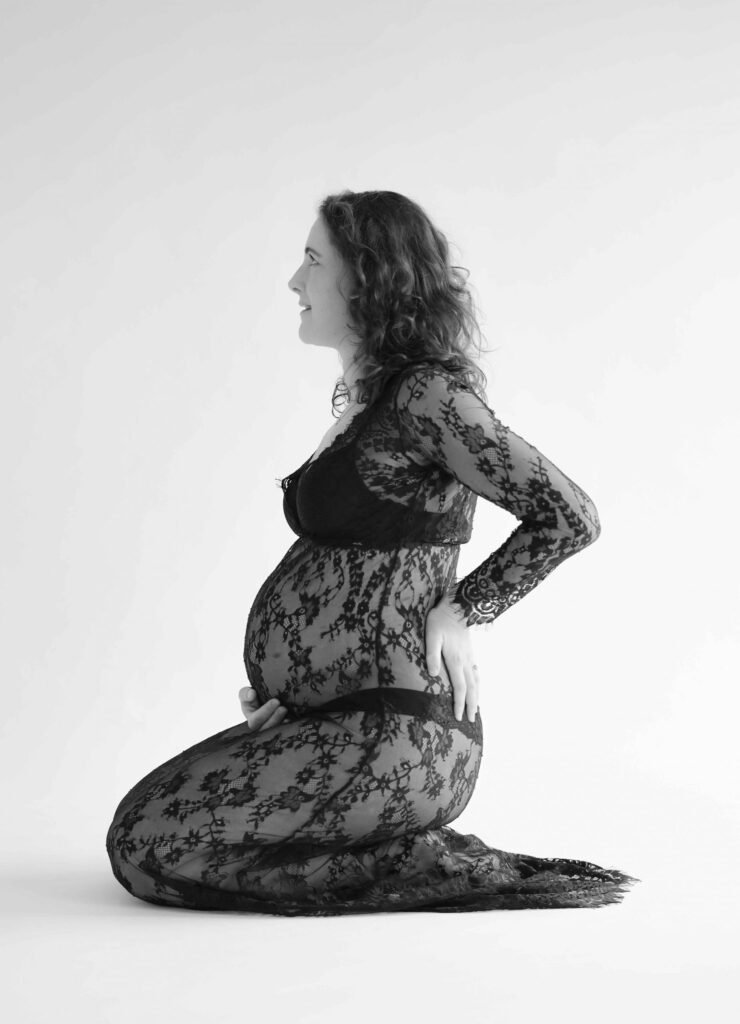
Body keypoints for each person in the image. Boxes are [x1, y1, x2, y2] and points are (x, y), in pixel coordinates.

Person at [106, 189, 639, 915]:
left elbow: (568, 516)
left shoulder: (426, 396)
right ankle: (381, 847)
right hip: (341, 719)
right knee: (143, 835)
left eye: (312, 261)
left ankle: (418, 859)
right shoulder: (369, 400)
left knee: (146, 846)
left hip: (402, 736)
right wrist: (295, 693)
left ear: (366, 277)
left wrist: (465, 609)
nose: (294, 282)